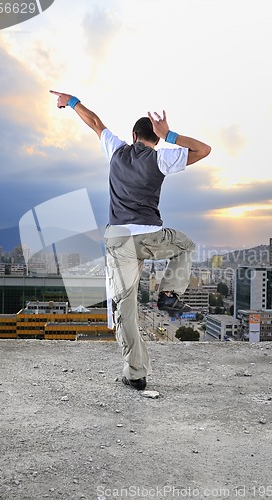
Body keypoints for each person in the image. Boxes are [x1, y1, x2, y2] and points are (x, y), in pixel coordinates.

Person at [50, 90, 211, 391]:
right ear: (156, 139)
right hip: (150, 236)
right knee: (185, 245)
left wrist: (70, 102)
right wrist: (171, 133)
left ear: (133, 135)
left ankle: (135, 374)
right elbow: (204, 150)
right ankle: (168, 295)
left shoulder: (116, 150)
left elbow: (95, 122)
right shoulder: (162, 157)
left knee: (127, 308)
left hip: (118, 240)